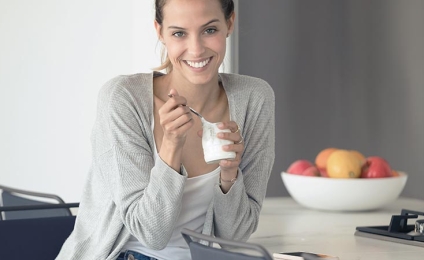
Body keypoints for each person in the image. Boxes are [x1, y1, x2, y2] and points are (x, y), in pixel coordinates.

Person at [56, 0, 275, 259]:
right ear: (160, 32)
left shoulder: (254, 98)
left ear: (229, 23)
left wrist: (229, 175)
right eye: (179, 33)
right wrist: (171, 147)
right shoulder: (123, 99)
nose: (196, 49)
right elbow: (152, 234)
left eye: (209, 30)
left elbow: (234, 237)